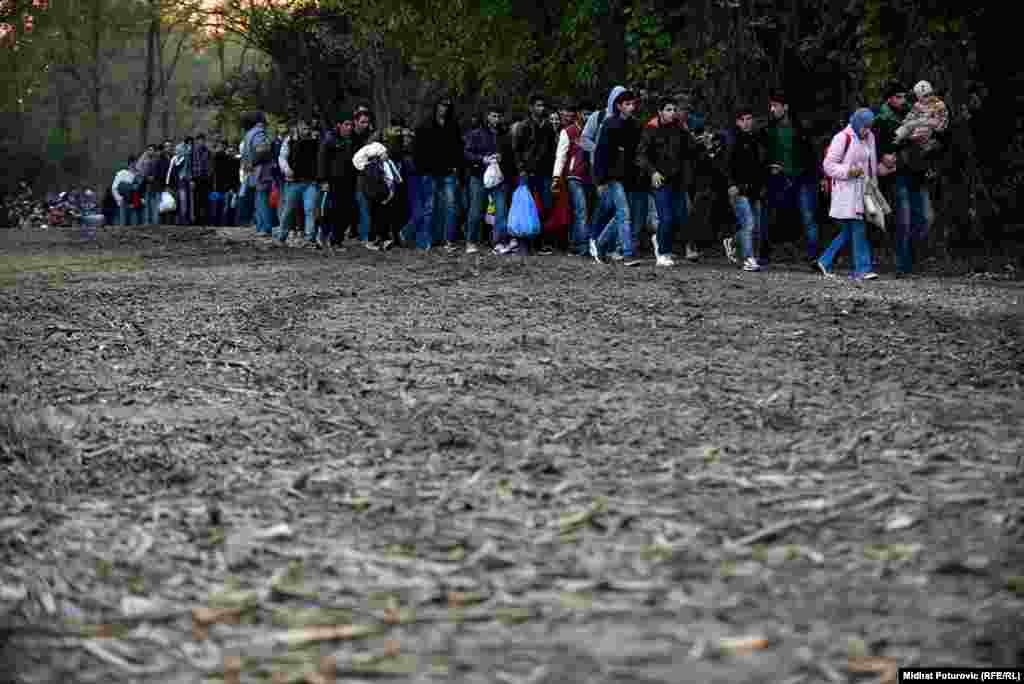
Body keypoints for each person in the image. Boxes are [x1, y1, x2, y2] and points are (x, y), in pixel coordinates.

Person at [875, 82, 932, 276]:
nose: (902, 100)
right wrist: (882, 155)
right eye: (898, 97)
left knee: (924, 219)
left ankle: (911, 261)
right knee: (904, 221)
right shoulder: (881, 118)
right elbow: (875, 144)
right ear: (889, 98)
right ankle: (903, 266)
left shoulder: (915, 112)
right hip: (898, 174)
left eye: (903, 96)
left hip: (917, 171)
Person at [637, 97, 701, 267]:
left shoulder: (680, 127)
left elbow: (691, 148)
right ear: (660, 112)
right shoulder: (651, 128)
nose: (672, 113)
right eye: (668, 110)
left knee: (681, 216)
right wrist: (653, 172)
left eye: (674, 109)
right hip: (660, 180)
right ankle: (663, 253)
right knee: (666, 218)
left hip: (678, 180)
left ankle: (661, 241)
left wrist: (703, 142)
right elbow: (641, 155)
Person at [817, 108, 879, 281]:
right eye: (864, 127)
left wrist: (874, 183)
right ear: (857, 123)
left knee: (849, 231)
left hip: (864, 190)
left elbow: (871, 163)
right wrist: (849, 171)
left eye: (869, 127)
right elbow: (828, 166)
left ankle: (824, 260)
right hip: (846, 191)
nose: (867, 130)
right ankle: (863, 268)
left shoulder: (870, 137)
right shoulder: (842, 137)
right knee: (858, 229)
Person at [763, 90, 820, 265]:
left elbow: (811, 154)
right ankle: (768, 253)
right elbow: (767, 154)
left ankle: (815, 257)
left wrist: (812, 175)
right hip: (780, 178)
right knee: (774, 215)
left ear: (785, 107)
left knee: (808, 216)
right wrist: (771, 167)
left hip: (803, 178)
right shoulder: (770, 128)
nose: (772, 109)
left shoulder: (800, 127)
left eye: (775, 106)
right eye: (771, 106)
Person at [591, 88, 645, 264]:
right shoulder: (609, 124)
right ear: (619, 106)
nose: (631, 107)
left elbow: (637, 151)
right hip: (612, 177)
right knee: (624, 212)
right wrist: (599, 180)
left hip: (629, 176)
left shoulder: (635, 125)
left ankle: (599, 244)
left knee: (621, 215)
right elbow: (600, 154)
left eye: (632, 104)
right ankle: (628, 253)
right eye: (627, 104)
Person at [412, 96, 463, 251]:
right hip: (429, 172)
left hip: (448, 171)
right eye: (442, 105)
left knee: (451, 206)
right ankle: (425, 241)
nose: (444, 108)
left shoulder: (453, 126)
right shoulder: (424, 125)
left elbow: (458, 147)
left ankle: (448, 241)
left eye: (447, 106)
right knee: (429, 207)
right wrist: (422, 169)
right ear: (436, 106)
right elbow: (417, 150)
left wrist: (456, 166)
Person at [722, 105, 769, 272]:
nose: (747, 122)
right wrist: (731, 184)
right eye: (743, 120)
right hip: (738, 189)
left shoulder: (757, 138)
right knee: (748, 223)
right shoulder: (732, 139)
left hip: (754, 189)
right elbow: (725, 165)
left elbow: (759, 164)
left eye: (749, 119)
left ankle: (732, 242)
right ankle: (748, 258)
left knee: (752, 225)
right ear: (737, 122)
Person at [465, 104, 511, 255]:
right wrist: (482, 159)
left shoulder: (504, 135)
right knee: (476, 210)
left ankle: (499, 241)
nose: (496, 119)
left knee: (501, 209)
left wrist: (501, 157)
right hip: (479, 176)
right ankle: (471, 241)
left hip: (498, 177)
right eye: (493, 116)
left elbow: (510, 154)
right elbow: (467, 154)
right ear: (487, 117)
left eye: (498, 116)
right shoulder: (476, 134)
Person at [514, 94, 557, 254]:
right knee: (526, 206)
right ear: (531, 107)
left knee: (544, 207)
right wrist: (522, 169)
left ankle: (539, 242)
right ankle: (525, 243)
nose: (541, 108)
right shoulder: (524, 126)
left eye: (542, 105)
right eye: (538, 105)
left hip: (544, 173)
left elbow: (552, 150)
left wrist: (553, 171)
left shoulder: (547, 127)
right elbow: (517, 150)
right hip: (528, 172)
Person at [551, 101, 592, 257]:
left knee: (584, 211)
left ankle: (576, 244)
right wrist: (556, 177)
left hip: (590, 176)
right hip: (573, 176)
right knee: (581, 210)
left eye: (590, 114)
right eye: (585, 113)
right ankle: (582, 247)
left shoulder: (593, 131)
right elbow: (560, 156)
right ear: (579, 114)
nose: (587, 117)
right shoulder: (568, 132)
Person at [276, 119, 322, 247]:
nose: (306, 131)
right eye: (304, 128)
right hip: (293, 181)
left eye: (308, 129)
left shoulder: (316, 141)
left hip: (311, 181)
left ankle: (310, 237)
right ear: (298, 127)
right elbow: (282, 157)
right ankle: (282, 236)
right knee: (289, 210)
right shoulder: (289, 140)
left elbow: (320, 159)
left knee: (310, 209)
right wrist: (286, 169)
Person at [317, 113, 357, 249]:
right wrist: (323, 180)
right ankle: (324, 237)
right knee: (330, 211)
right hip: (332, 182)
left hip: (348, 182)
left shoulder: (350, 140)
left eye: (351, 125)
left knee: (345, 211)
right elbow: (322, 161)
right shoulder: (329, 140)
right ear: (339, 125)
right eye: (347, 124)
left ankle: (337, 239)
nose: (349, 127)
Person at [240, 111, 276, 238]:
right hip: (261, 171)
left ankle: (262, 227)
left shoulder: (249, 133)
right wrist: (253, 163)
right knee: (262, 200)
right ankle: (265, 228)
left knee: (259, 200)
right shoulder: (259, 133)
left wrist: (250, 164)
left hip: (255, 172)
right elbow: (263, 150)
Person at [893, 80, 949, 153]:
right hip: (918, 132)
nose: (929, 97)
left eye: (930, 94)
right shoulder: (917, 105)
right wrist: (908, 124)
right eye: (925, 96)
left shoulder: (939, 104)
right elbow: (909, 118)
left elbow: (942, 124)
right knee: (906, 127)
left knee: (922, 126)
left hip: (933, 131)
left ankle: (927, 145)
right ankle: (896, 140)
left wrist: (926, 122)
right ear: (919, 98)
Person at [351, 110, 375, 243]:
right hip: (349, 176)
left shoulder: (369, 136)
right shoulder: (350, 136)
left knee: (364, 206)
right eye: (362, 122)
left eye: (367, 122)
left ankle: (364, 235)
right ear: (356, 122)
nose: (365, 125)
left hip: (363, 177)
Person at [169, 137, 194, 226]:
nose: (190, 146)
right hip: (180, 180)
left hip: (187, 179)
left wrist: (191, 179)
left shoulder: (190, 153)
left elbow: (190, 167)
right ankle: (181, 219)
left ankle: (186, 219)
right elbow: (177, 164)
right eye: (189, 144)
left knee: (187, 200)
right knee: (181, 199)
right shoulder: (180, 152)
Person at [112, 158, 142, 226]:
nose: (134, 165)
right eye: (132, 163)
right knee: (123, 223)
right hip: (124, 202)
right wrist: (119, 199)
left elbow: (141, 189)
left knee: (134, 224)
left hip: (134, 202)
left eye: (135, 163)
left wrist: (140, 199)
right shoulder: (122, 173)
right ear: (129, 164)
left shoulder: (139, 176)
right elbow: (114, 187)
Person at [191, 133, 212, 225]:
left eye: (203, 140)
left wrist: (209, 175)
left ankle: (204, 220)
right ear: (197, 141)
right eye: (200, 140)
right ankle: (196, 220)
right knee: (196, 200)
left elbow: (210, 165)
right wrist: (191, 179)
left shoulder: (207, 151)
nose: (201, 142)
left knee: (204, 200)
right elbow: (190, 166)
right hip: (196, 178)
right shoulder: (192, 151)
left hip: (205, 178)